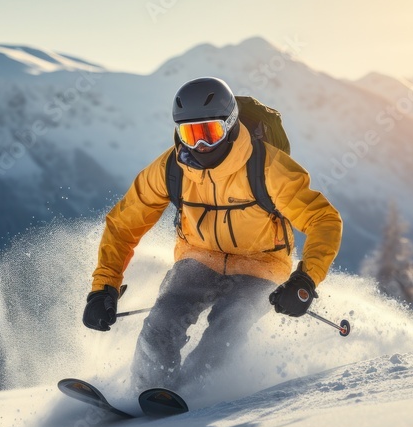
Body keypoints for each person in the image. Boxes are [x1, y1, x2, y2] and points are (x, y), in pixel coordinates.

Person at [82, 77, 342, 392]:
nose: (199, 145)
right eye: (189, 134)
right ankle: (145, 392)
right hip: (198, 260)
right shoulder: (172, 169)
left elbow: (323, 219)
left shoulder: (268, 168)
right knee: (160, 325)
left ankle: (194, 397)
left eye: (209, 132)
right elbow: (123, 224)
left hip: (261, 266)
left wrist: (304, 280)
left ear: (230, 125)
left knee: (228, 329)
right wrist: (104, 288)